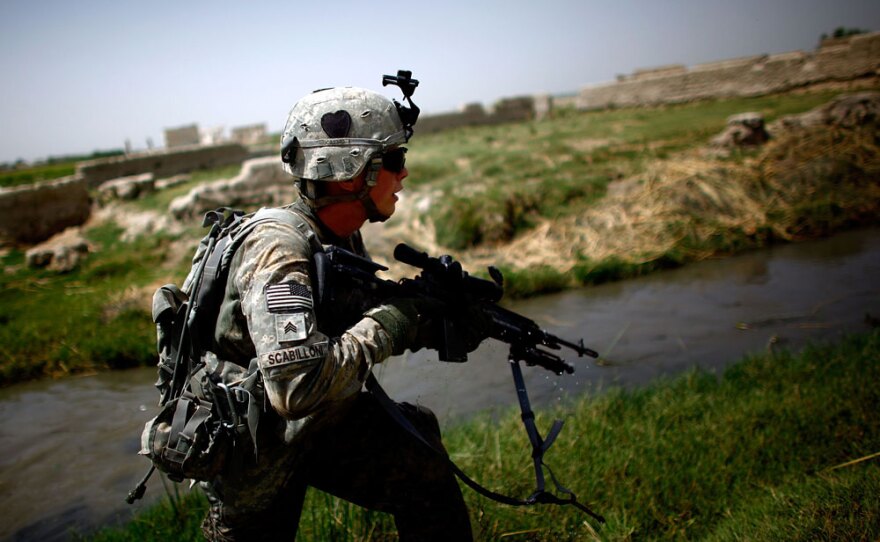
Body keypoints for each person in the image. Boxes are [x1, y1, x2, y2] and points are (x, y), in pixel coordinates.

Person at [197, 84, 479, 541]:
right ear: (352, 174)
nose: (404, 173)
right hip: (256, 448)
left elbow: (349, 318)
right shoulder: (278, 251)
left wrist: (430, 321)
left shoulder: (339, 234)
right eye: (393, 159)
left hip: (319, 424)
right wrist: (392, 322)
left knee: (421, 460)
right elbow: (297, 388)